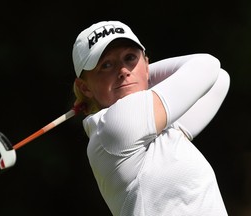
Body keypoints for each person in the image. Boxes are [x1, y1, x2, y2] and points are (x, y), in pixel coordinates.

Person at [71, 20, 230, 216]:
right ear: (84, 87)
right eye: (106, 65)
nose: (122, 71)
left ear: (146, 62)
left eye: (130, 58)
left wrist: (141, 75)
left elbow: (219, 79)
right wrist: (140, 75)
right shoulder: (115, 126)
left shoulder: (157, 127)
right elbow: (208, 65)